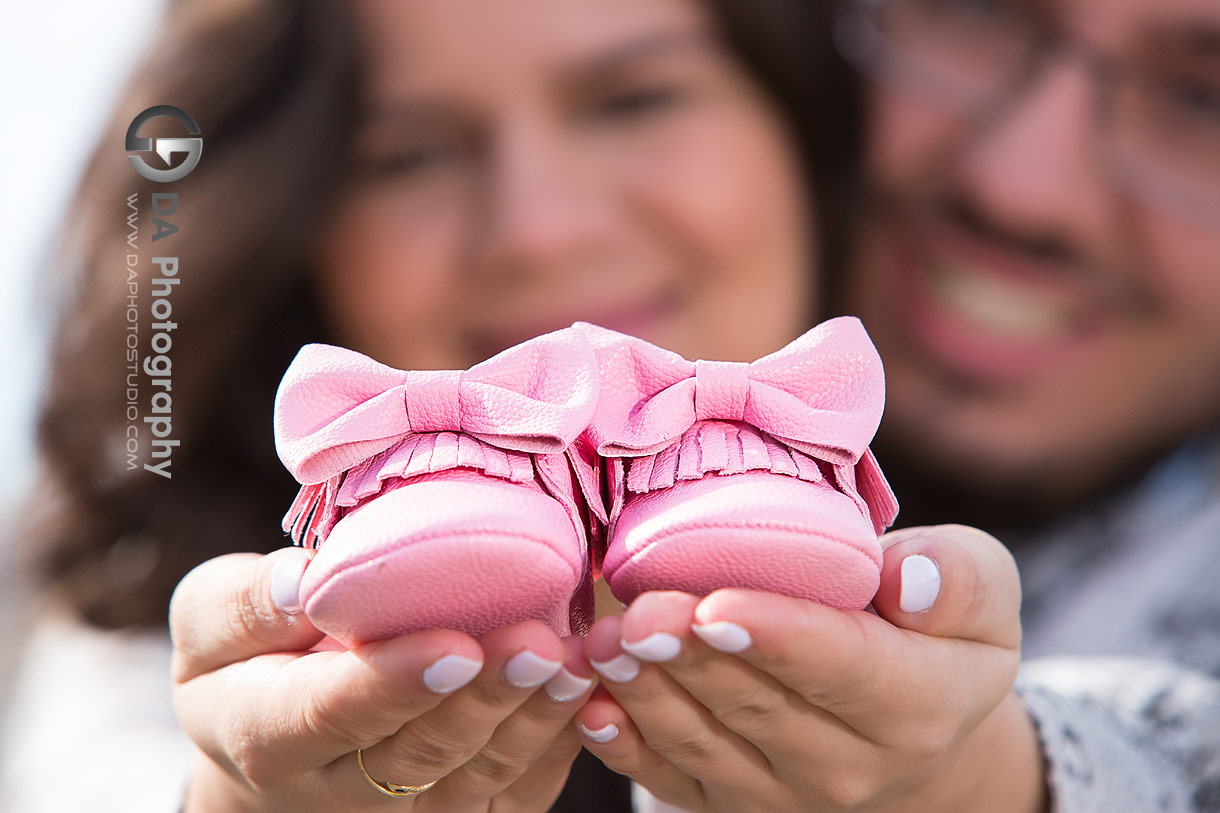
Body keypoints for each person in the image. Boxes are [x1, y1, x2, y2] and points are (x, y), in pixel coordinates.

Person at [2, 1, 1217, 813]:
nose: (542, 229)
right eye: (406, 154)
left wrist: (986, 782)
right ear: (298, 234)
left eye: (634, 100)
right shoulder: (103, 613)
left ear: (798, 126)